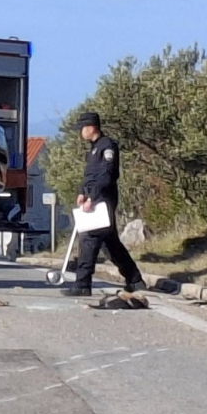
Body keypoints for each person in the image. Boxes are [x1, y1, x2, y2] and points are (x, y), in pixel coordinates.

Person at [61, 111, 150, 297]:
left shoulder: (107, 146)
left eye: (82, 129)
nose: (80, 133)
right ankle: (135, 280)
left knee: (89, 239)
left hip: (102, 200)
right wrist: (81, 192)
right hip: (94, 198)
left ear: (91, 127)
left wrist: (92, 198)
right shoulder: (94, 149)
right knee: (110, 244)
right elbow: (90, 175)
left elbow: (106, 176)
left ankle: (82, 284)